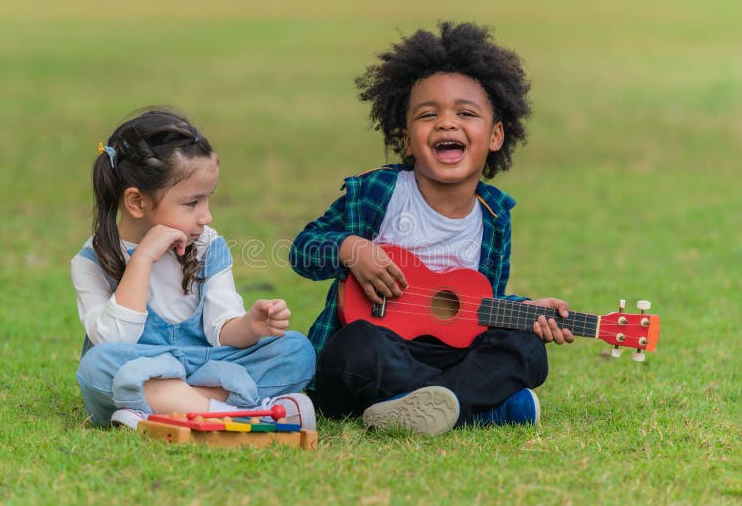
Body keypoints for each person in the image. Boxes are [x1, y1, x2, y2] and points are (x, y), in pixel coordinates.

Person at [289, 22, 574, 436]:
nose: (446, 123)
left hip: (450, 357)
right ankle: (474, 409)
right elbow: (302, 250)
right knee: (353, 351)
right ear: (406, 139)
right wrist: (351, 248)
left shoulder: (494, 217)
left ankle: (431, 406)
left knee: (527, 350)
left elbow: (475, 301)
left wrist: (522, 311)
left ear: (495, 135)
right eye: (428, 114)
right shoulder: (376, 192)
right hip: (379, 350)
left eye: (465, 112)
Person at [73, 108, 316, 430]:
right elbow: (114, 340)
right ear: (136, 202)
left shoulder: (208, 246)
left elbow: (222, 330)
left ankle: (165, 409)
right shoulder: (91, 261)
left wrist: (251, 325)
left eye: (207, 200)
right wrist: (142, 259)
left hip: (206, 364)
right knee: (97, 366)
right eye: (192, 204)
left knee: (296, 350)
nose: (206, 216)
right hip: (138, 365)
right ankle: (234, 412)